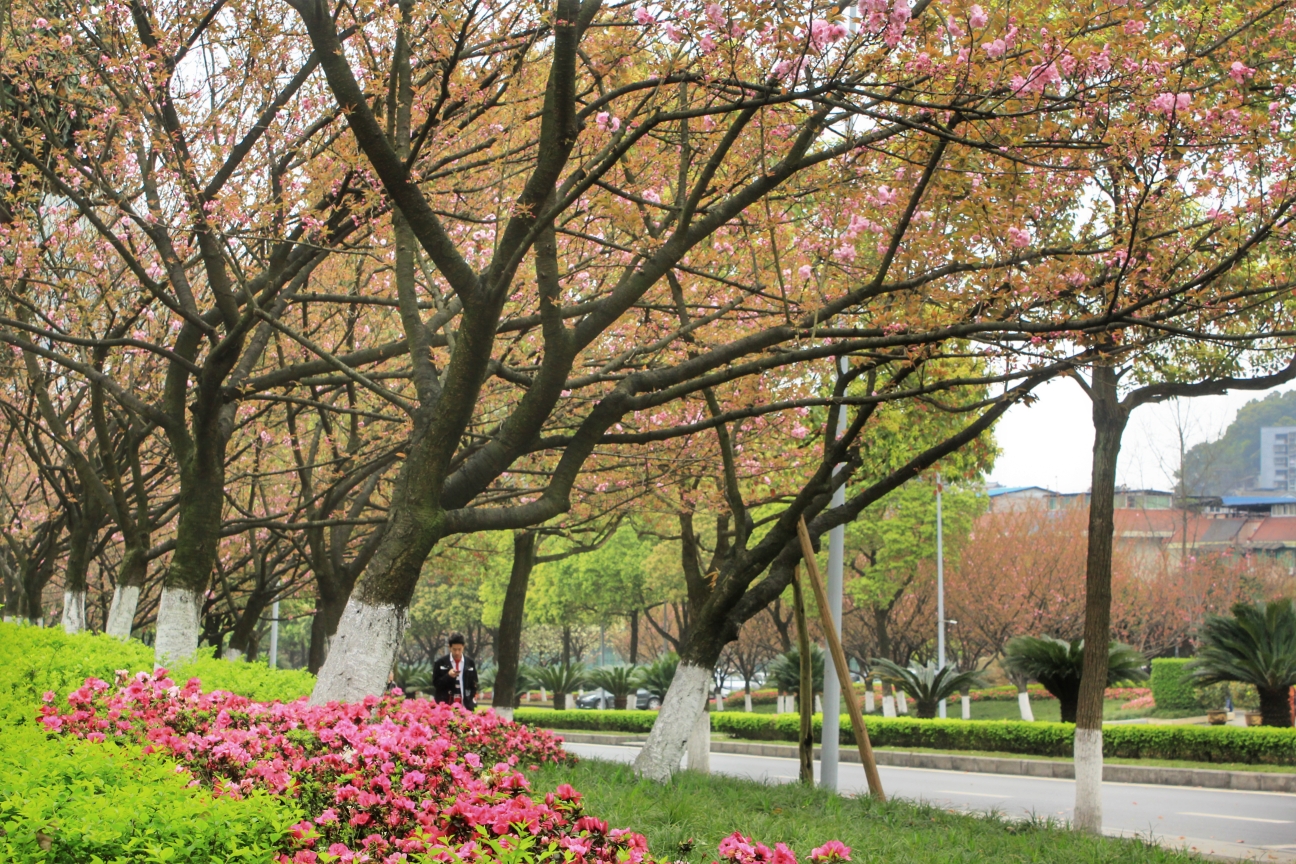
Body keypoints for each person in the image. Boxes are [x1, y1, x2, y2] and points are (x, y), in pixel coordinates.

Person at [432, 633, 478, 709]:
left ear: (463, 647)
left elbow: (474, 683)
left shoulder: (470, 663)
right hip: (446, 706)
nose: (457, 652)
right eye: (454, 649)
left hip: (466, 706)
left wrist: (472, 701)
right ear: (449, 647)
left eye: (459, 649)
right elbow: (436, 684)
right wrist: (448, 676)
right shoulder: (440, 663)